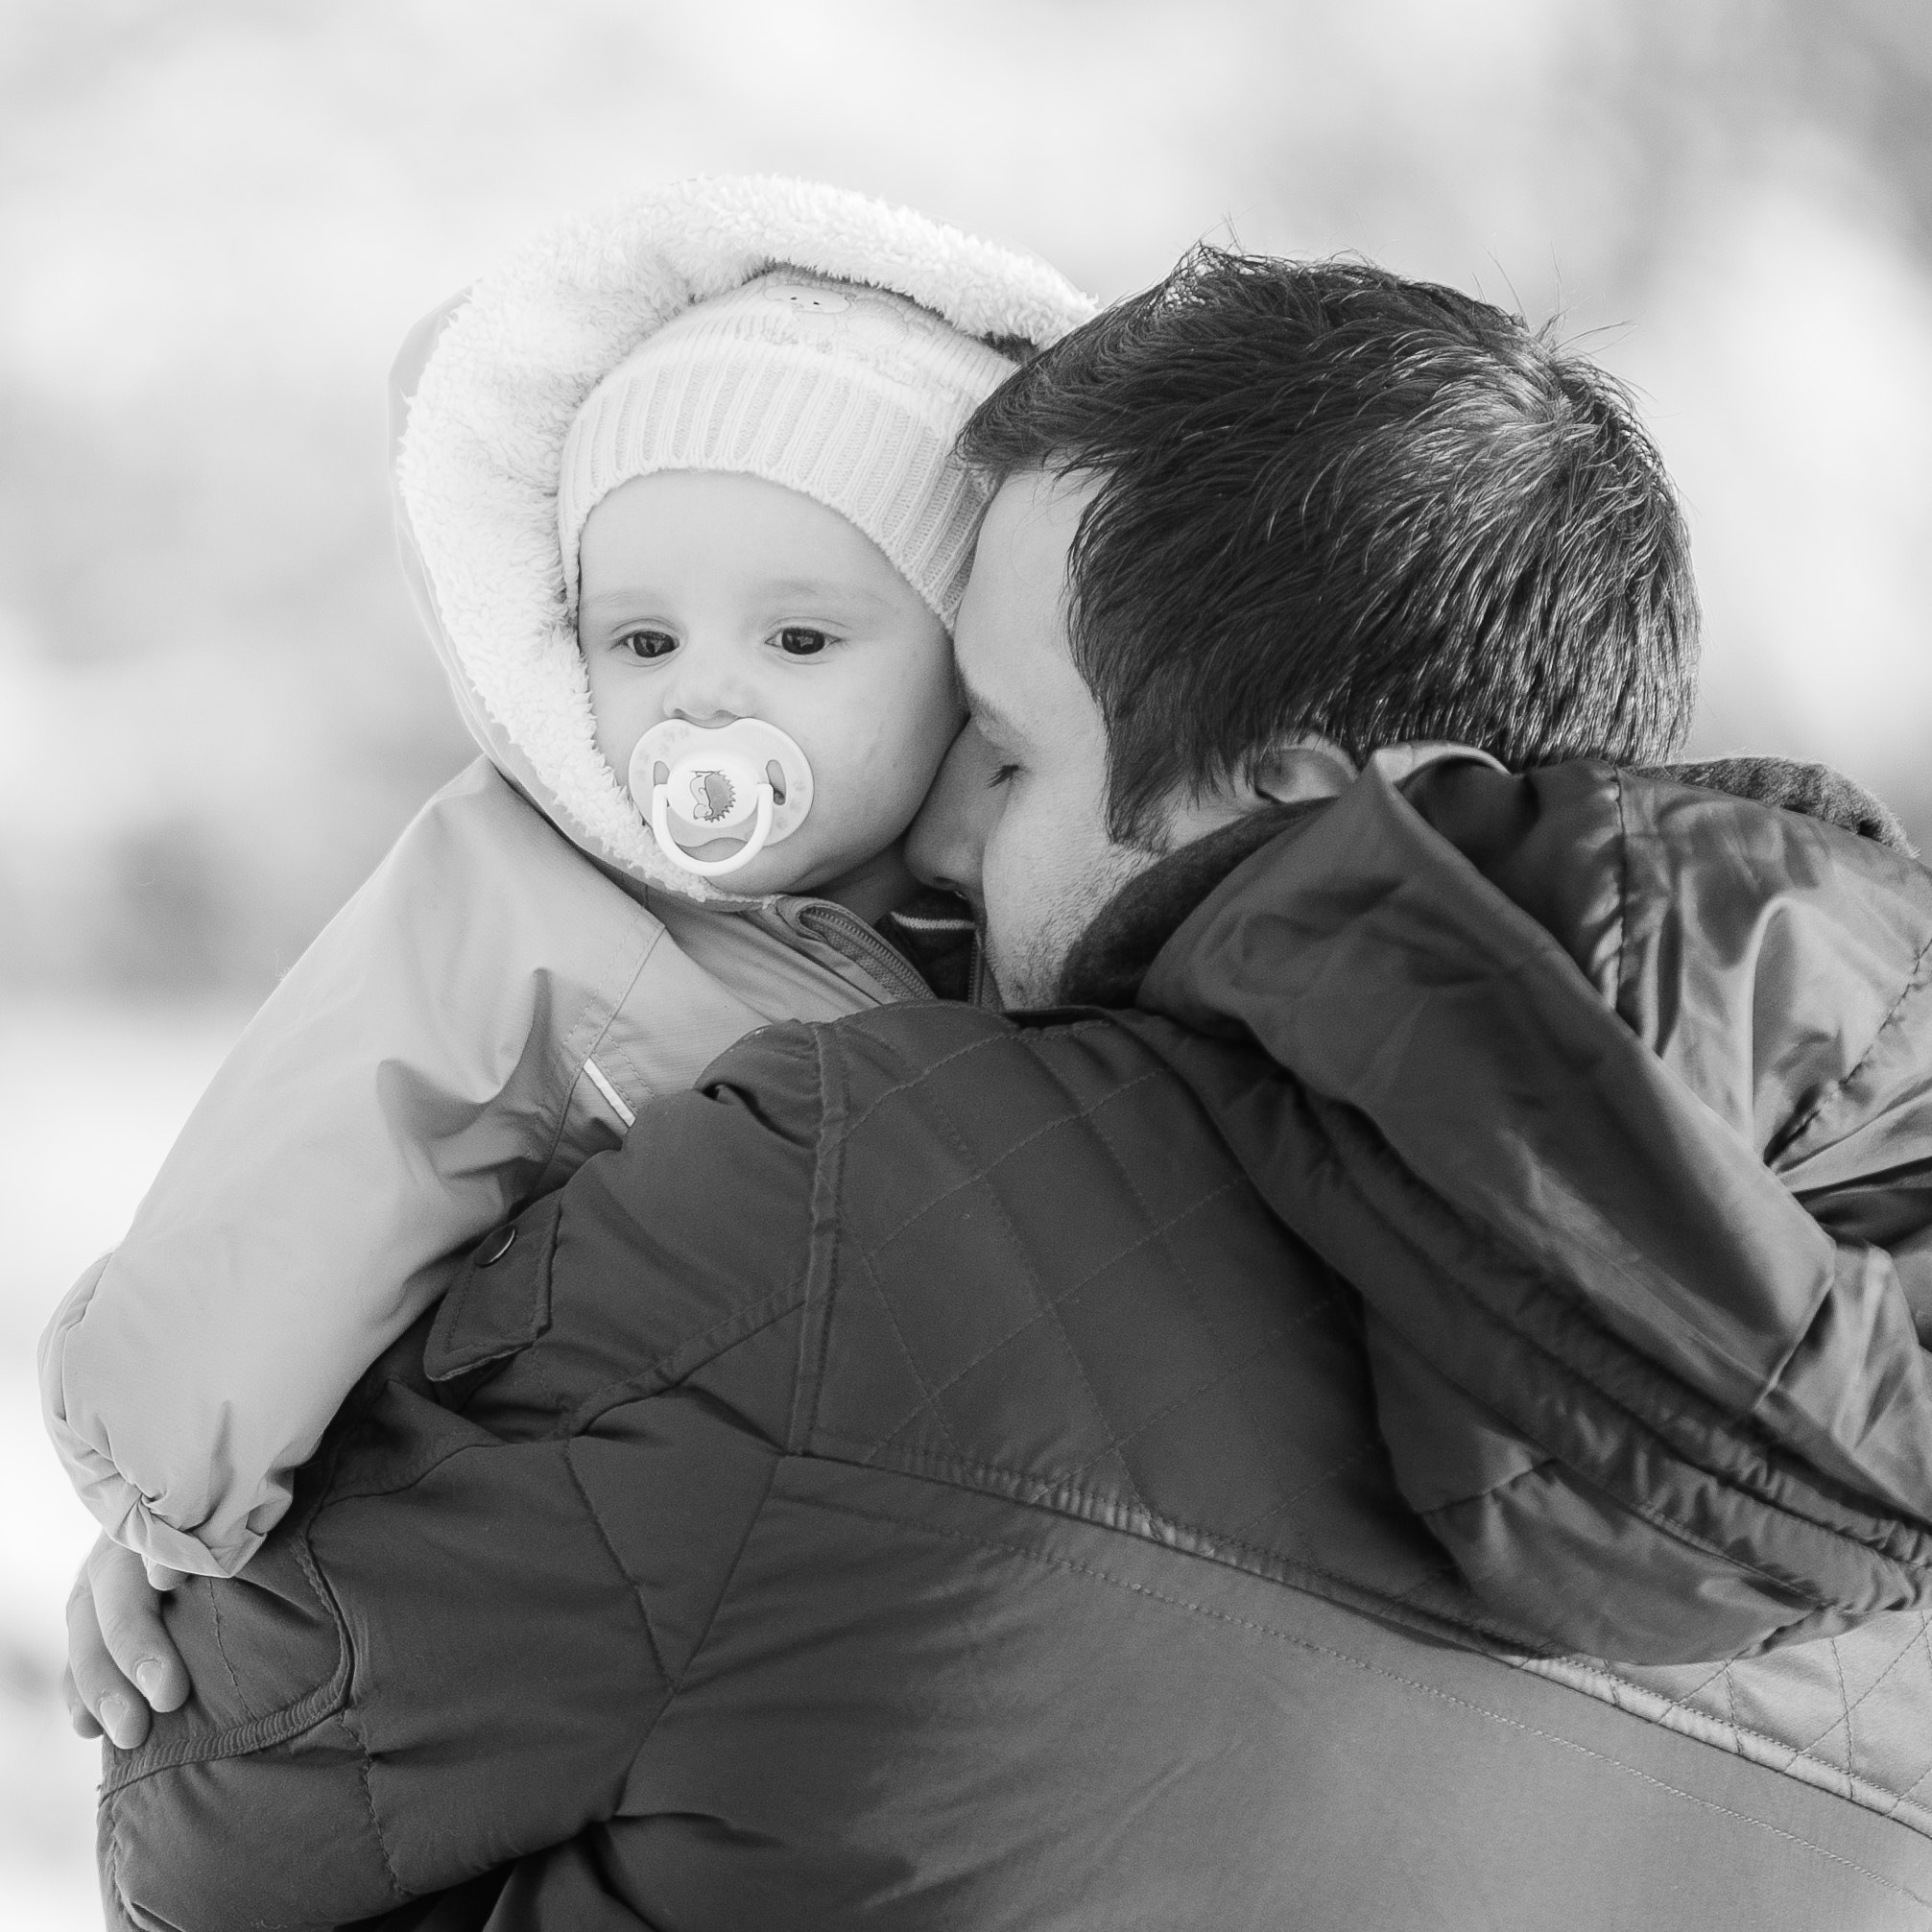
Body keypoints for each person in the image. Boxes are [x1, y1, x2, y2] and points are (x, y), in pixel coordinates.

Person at [78, 250, 1932, 1931]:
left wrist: (256, 1548)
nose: (946, 828)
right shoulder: (1888, 1462)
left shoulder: (854, 1190)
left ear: (1297, 797)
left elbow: (207, 1817)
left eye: (1013, 749)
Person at [37, 176, 1092, 1586]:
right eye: (642, 642)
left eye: (796, 639)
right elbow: (333, 1145)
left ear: (962, 666)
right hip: (573, 1551)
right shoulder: (525, 894)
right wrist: (167, 1499)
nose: (703, 698)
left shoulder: (1033, 899)